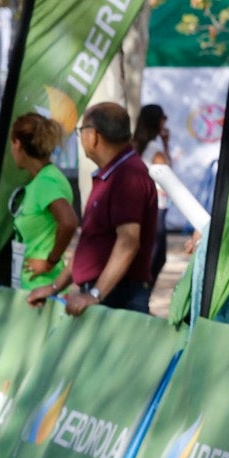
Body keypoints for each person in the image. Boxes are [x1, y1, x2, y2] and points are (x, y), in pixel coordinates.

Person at [34, 102, 158, 315]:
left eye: (81, 131)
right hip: (107, 293)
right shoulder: (111, 173)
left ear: (93, 136)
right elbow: (91, 244)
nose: (81, 138)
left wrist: (95, 294)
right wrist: (55, 287)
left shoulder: (128, 175)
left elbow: (128, 242)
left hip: (119, 296)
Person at [6, 113, 78, 296]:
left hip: (41, 287)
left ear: (17, 144)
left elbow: (69, 222)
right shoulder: (42, 180)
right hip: (31, 285)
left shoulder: (46, 182)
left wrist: (49, 262)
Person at [134, 104, 171, 286]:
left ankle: (142, 289)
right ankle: (144, 290)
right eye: (163, 118)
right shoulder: (154, 149)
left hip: (144, 203)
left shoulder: (136, 146)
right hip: (158, 205)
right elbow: (168, 175)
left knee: (151, 252)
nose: (166, 122)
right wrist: (166, 144)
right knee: (157, 255)